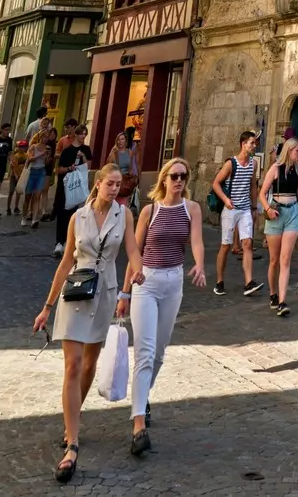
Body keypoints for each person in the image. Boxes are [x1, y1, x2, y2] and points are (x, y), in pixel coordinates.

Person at [33, 161, 142, 484]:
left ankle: (72, 419)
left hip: (104, 293)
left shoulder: (125, 215)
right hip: (75, 293)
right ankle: (73, 443)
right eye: (110, 183)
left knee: (90, 364)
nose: (115, 189)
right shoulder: (77, 218)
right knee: (73, 365)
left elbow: (133, 249)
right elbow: (67, 260)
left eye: (118, 184)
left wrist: (137, 272)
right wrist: (46, 307)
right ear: (98, 185)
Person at [124, 156, 207, 455]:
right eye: (174, 176)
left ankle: (142, 396)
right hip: (146, 282)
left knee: (159, 352)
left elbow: (196, 241)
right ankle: (138, 426)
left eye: (183, 176)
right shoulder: (150, 211)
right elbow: (135, 251)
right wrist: (124, 293)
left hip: (174, 282)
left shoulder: (192, 208)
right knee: (144, 353)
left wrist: (199, 264)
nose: (179, 181)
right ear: (164, 179)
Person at [258, 135, 298, 316]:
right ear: (289, 150)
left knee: (285, 259)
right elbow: (262, 193)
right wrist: (268, 210)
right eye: (297, 151)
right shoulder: (276, 169)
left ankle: (282, 301)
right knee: (274, 260)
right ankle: (273, 293)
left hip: (293, 212)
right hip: (277, 213)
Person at [213, 128, 262, 296]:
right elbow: (216, 183)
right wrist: (226, 200)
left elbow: (253, 186)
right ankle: (219, 281)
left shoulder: (253, 164)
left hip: (245, 209)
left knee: (247, 243)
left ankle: (249, 282)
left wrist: (254, 208)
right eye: (252, 143)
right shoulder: (230, 164)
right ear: (243, 144)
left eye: (255, 143)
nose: (254, 146)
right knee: (225, 246)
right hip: (230, 210)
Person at [53, 129, 91, 256]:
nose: (83, 136)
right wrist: (70, 168)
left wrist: (83, 157)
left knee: (75, 215)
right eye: (81, 133)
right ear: (76, 135)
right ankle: (59, 242)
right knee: (63, 214)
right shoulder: (67, 151)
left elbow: (88, 167)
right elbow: (58, 169)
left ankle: (69, 243)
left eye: (85, 134)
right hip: (65, 187)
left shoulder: (86, 149)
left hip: (79, 187)